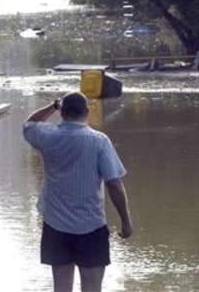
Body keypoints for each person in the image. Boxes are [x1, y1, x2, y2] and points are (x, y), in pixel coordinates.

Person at [22, 92, 133, 292]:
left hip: (56, 226)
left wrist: (52, 106)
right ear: (87, 112)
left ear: (62, 112)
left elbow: (29, 125)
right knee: (92, 288)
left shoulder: (46, 136)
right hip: (91, 227)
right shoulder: (99, 141)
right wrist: (125, 221)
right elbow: (114, 185)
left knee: (61, 288)